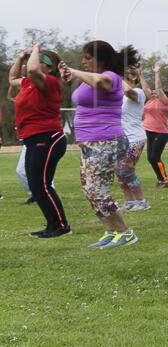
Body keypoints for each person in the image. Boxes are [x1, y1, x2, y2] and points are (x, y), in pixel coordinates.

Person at [60, 41, 141, 249]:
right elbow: (89, 87)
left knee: (97, 190)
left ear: (100, 60)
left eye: (88, 58)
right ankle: (111, 230)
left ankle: (125, 232)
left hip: (107, 141)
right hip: (91, 143)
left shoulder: (111, 77)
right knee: (90, 190)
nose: (83, 61)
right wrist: (70, 77)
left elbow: (100, 83)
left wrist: (75, 71)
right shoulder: (87, 80)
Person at [10, 43, 70, 237]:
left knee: (41, 184)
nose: (30, 64)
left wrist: (36, 49)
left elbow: (34, 69)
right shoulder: (28, 83)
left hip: (48, 137)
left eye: (36, 61)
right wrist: (20, 58)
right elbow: (12, 79)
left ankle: (61, 226)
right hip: (33, 140)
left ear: (50, 67)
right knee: (37, 185)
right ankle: (53, 225)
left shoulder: (50, 82)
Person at [117, 65, 151, 211]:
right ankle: (130, 202)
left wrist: (118, 78)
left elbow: (128, 91)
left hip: (135, 139)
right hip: (123, 138)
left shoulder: (138, 92)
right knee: (119, 171)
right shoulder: (121, 96)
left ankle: (142, 202)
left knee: (126, 170)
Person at [142, 64, 168, 188]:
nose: (153, 92)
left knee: (155, 157)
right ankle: (161, 180)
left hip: (160, 133)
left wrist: (156, 73)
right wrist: (139, 73)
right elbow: (145, 88)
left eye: (156, 92)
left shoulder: (164, 102)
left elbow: (158, 88)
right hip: (149, 132)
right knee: (150, 158)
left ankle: (164, 180)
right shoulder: (150, 101)